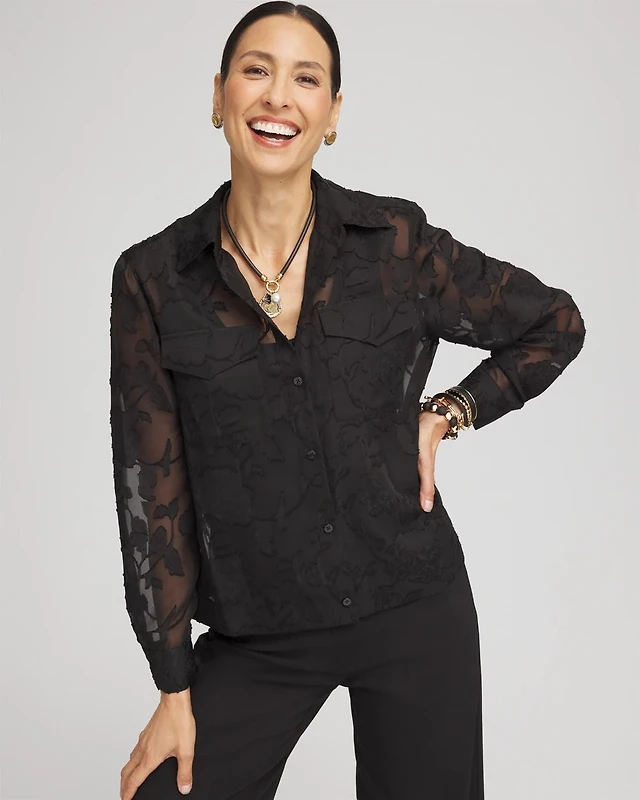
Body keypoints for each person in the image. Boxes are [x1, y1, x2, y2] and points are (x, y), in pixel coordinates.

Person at [109, 2, 586, 798]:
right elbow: (150, 488)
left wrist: (449, 412)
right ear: (219, 95)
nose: (278, 96)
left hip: (411, 601)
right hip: (260, 627)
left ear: (331, 115)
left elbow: (554, 323)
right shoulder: (155, 279)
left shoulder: (394, 245)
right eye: (256, 71)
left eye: (306, 79)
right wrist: (173, 684)